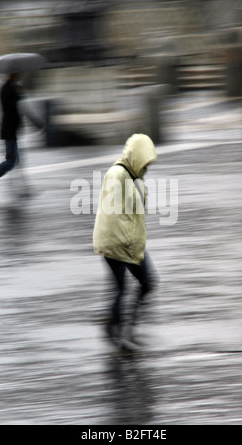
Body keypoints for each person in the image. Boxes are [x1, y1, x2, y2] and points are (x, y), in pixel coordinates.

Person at [93, 133, 158, 349]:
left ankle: (119, 327)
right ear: (137, 156)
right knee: (126, 287)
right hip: (119, 244)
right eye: (145, 162)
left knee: (142, 284)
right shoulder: (118, 175)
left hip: (127, 243)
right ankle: (119, 332)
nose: (147, 167)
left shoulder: (131, 176)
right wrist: (128, 244)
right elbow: (114, 215)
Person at [0, 73, 42, 199]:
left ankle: (20, 186)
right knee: (12, 161)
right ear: (12, 74)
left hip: (10, 129)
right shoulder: (9, 89)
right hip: (9, 130)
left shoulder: (6, 88)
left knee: (15, 160)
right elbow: (19, 109)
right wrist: (19, 94)